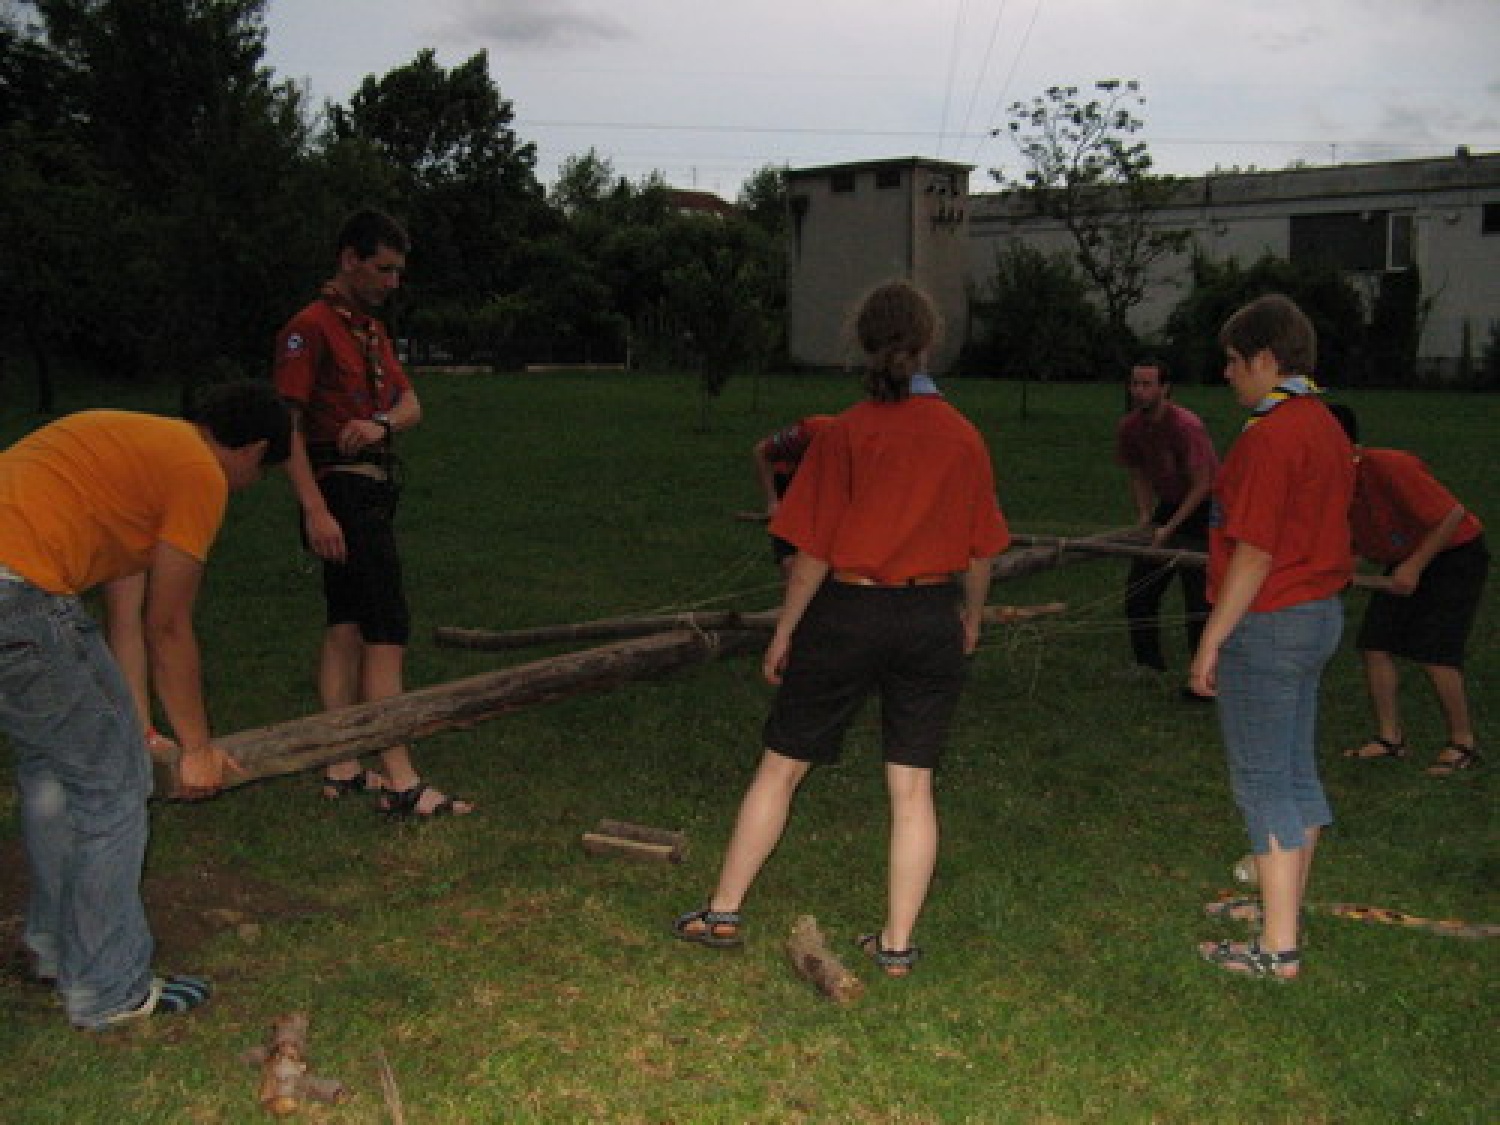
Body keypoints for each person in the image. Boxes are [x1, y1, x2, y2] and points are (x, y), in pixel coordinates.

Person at [674, 281, 1010, 976]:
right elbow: (982, 552)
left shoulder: (846, 432)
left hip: (847, 613)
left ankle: (724, 911)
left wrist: (784, 630)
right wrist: (970, 615)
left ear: (864, 341)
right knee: (912, 787)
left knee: (782, 765)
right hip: (926, 618)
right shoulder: (963, 436)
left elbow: (810, 556)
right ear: (928, 342)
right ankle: (896, 946)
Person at [0, 382, 292, 1029]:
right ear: (255, 450)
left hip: (25, 591)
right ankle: (109, 990)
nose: (249, 485)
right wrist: (197, 747)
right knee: (109, 793)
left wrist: (140, 729)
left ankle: (54, 947)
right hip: (18, 594)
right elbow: (169, 628)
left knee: (55, 769)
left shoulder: (141, 456)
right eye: (260, 472)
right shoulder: (199, 474)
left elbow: (121, 624)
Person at [274, 209, 472, 818]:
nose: (393, 282)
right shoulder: (308, 330)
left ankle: (341, 760)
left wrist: (380, 422)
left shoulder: (368, 331)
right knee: (387, 629)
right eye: (383, 269)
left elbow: (411, 403)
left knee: (348, 625)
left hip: (371, 487)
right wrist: (315, 509)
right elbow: (286, 429)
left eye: (398, 271)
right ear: (348, 258)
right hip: (341, 493)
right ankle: (399, 776)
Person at [1189, 294, 1354, 981]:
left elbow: (1253, 551)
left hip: (1272, 621)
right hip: (1317, 614)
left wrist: (1210, 642)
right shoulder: (1323, 423)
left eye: (1232, 361)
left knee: (1262, 781)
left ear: (1264, 358)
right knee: (1293, 771)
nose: (1228, 374)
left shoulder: (1272, 435)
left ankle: (1276, 948)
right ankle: (1284, 907)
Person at [1328, 404, 1487, 775]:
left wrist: (1414, 567)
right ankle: (1389, 738)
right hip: (1402, 557)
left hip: (1453, 553)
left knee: (1436, 652)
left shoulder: (1387, 465)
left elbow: (1451, 515)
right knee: (1375, 644)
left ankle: (1463, 743)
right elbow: (1352, 535)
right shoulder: (1330, 483)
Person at [1114, 360, 1219, 693]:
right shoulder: (1131, 427)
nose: (1140, 391)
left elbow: (1203, 484)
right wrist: (1147, 517)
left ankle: (1202, 674)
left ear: (1165, 388)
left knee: (1198, 598)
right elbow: (1137, 471)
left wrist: (1170, 528)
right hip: (1170, 506)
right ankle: (1148, 663)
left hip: (1206, 509)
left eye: (1147, 384)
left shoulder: (1185, 426)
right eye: (1135, 384)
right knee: (1140, 589)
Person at [752, 415, 836, 581]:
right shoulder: (812, 430)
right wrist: (773, 501)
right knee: (790, 563)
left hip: (827, 497)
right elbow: (762, 451)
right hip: (790, 489)